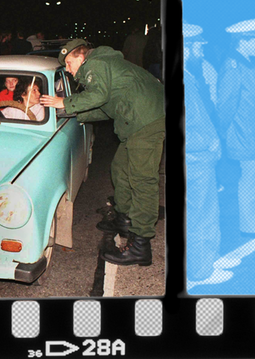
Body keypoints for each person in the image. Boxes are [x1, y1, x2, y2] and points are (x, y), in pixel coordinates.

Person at [40, 39, 165, 266]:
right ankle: (124, 219)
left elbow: (97, 97)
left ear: (80, 56)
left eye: (69, 63)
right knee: (120, 169)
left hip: (146, 120)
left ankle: (141, 245)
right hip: (136, 119)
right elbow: (105, 107)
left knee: (142, 180)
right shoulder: (104, 66)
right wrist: (74, 114)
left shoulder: (95, 65)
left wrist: (63, 103)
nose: (68, 70)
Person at [217, 18, 255, 239]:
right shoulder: (233, 66)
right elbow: (225, 106)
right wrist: (221, 134)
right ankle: (251, 226)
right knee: (250, 178)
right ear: (242, 41)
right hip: (244, 134)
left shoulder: (246, 63)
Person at [183, 23, 223, 284]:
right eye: (197, 47)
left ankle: (210, 260)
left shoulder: (188, 73)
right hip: (197, 156)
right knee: (201, 212)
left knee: (208, 209)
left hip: (201, 154)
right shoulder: (184, 79)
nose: (201, 51)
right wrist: (207, 143)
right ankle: (201, 271)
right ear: (185, 49)